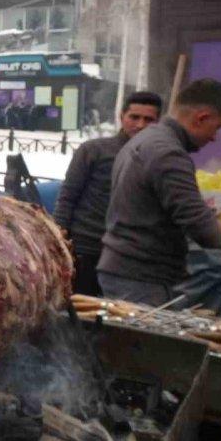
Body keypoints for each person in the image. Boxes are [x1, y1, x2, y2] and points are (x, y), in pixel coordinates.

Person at [98, 79, 221, 306]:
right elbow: (203, 229)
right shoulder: (169, 154)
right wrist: (218, 231)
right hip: (140, 278)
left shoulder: (145, 140)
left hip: (124, 270)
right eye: (217, 127)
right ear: (201, 118)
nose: (214, 137)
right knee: (144, 342)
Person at [54, 91, 162, 296]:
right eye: (134, 117)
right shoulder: (94, 150)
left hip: (129, 257)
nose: (140, 125)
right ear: (121, 117)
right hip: (87, 250)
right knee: (80, 314)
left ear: (158, 123)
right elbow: (67, 196)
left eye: (148, 119)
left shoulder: (158, 159)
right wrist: (59, 239)